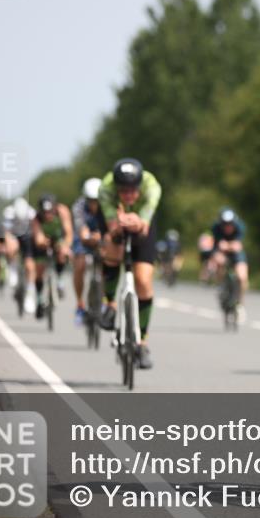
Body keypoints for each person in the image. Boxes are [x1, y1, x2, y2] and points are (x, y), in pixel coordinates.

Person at [97, 158, 162, 370]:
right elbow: (111, 226)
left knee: (143, 280)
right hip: (116, 219)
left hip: (143, 222)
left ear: (140, 186)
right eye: (123, 190)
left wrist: (138, 222)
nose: (128, 195)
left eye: (133, 190)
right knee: (111, 248)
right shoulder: (105, 189)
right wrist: (117, 226)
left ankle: (142, 343)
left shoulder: (151, 187)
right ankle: (110, 304)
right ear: (116, 187)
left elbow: (144, 225)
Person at [30, 194, 74, 318]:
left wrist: (65, 246)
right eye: (45, 213)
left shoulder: (63, 211)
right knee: (39, 269)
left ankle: (60, 280)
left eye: (50, 212)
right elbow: (38, 237)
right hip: (43, 241)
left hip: (58, 238)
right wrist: (43, 241)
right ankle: (39, 300)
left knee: (62, 252)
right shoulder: (36, 219)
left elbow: (68, 231)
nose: (48, 215)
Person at [71, 178, 105, 326]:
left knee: (108, 263)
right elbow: (82, 231)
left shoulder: (107, 205)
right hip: (84, 239)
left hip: (102, 237)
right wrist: (89, 236)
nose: (94, 204)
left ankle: (104, 301)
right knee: (80, 265)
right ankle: (80, 305)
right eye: (91, 200)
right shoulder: (78, 207)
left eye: (97, 200)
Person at [209, 208, 249, 321]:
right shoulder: (215, 228)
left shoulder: (240, 227)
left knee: (242, 277)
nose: (227, 227)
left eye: (230, 224)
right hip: (220, 251)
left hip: (236, 253)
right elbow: (217, 246)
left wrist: (227, 245)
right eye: (225, 224)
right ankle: (220, 284)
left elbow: (238, 246)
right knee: (218, 260)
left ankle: (240, 304)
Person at [11, 197, 37, 314]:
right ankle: (12, 269)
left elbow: (37, 230)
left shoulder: (32, 214)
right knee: (11, 247)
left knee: (29, 265)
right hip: (14, 237)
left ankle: (30, 293)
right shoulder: (9, 213)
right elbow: (6, 232)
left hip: (27, 238)